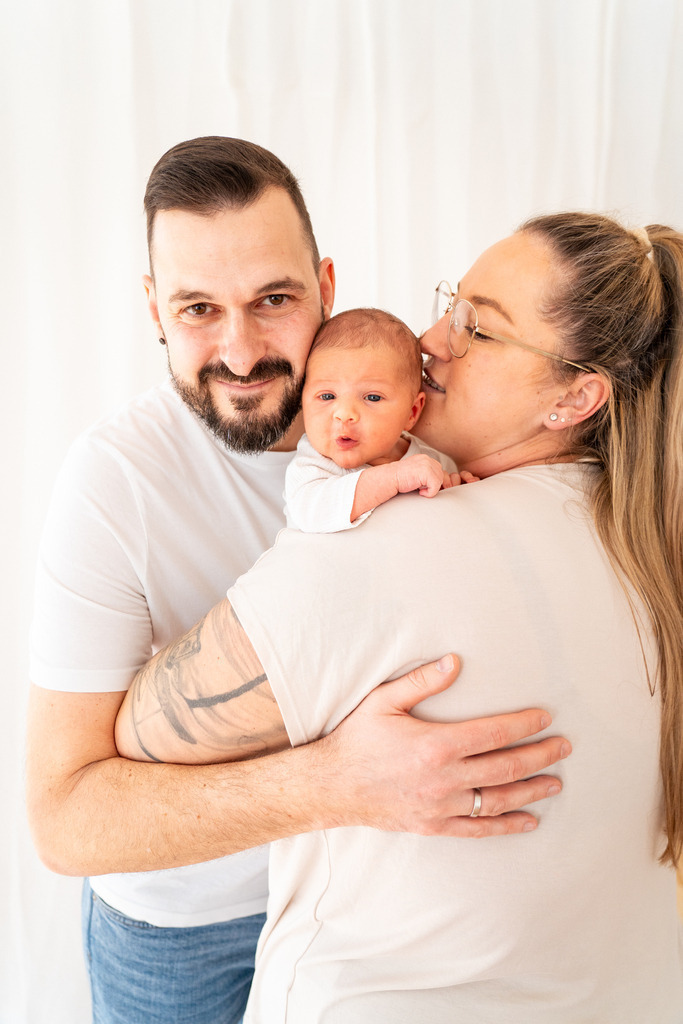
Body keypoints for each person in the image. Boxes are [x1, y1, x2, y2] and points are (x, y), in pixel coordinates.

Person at [26, 137, 569, 1024]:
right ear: (155, 309)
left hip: (367, 901)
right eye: (198, 307)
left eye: (272, 300)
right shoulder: (112, 482)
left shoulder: (421, 425)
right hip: (183, 930)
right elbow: (65, 819)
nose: (240, 353)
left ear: (324, 283)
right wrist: (339, 784)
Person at [116, 212, 683, 1021]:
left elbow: (142, 734)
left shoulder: (386, 545)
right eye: (450, 307)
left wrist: (329, 782)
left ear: (574, 396)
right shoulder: (651, 546)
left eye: (476, 329)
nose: (429, 340)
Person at [285, 306, 474, 533]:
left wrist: (457, 489)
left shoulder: (430, 459)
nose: (344, 414)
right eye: (327, 396)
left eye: (372, 397)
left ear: (412, 412)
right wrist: (394, 478)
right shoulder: (312, 464)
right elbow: (313, 513)